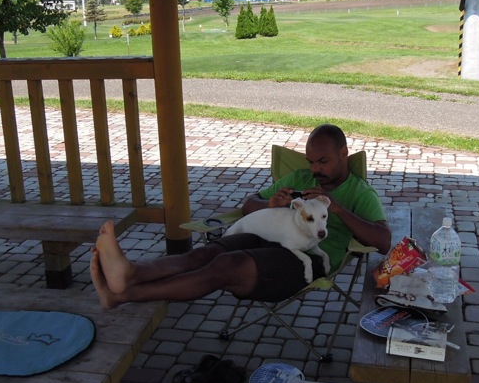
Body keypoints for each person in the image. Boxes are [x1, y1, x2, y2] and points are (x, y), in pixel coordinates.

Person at [91, 123, 392, 310]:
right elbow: (249, 204)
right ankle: (131, 274)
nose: (315, 169)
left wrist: (337, 209)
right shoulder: (299, 177)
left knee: (225, 265)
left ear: (344, 153)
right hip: (267, 237)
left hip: (308, 260)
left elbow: (383, 242)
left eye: (323, 161)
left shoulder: (359, 193)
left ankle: (123, 295)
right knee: (205, 254)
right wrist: (270, 204)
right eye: (311, 161)